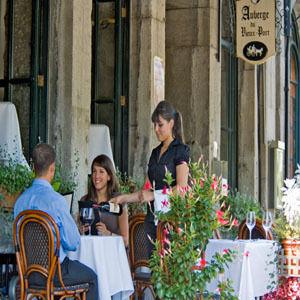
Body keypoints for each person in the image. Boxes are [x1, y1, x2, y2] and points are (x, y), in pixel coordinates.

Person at [14, 143, 98, 300]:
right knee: (92, 278)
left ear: (33, 168)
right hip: (55, 273)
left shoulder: (20, 202)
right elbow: (72, 243)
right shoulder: (56, 201)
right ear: (52, 168)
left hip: (28, 274)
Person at [111, 100, 190, 257]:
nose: (156, 129)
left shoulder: (181, 150)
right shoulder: (155, 153)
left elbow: (182, 189)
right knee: (154, 271)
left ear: (171, 123)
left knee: (169, 272)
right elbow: (144, 192)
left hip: (172, 220)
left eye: (160, 125)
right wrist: (122, 198)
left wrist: (154, 195)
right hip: (151, 219)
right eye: (154, 125)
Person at [79, 154, 129, 247]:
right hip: (90, 252)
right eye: (94, 171)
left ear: (109, 177)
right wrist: (80, 231)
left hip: (112, 254)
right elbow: (78, 236)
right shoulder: (84, 200)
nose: (96, 176)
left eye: (101, 171)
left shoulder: (118, 201)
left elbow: (126, 241)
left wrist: (108, 234)